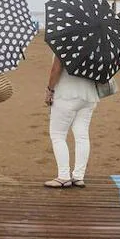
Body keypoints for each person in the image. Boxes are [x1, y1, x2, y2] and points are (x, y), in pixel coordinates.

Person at [44, 53, 101, 188]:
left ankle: (63, 176)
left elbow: (56, 69)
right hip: (88, 95)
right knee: (82, 135)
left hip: (67, 94)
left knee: (58, 135)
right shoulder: (96, 44)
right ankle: (78, 176)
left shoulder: (64, 42)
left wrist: (50, 90)